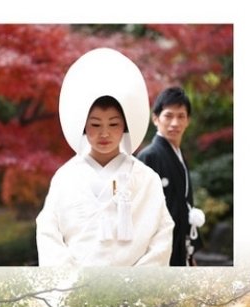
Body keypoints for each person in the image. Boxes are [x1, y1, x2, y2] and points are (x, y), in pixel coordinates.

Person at [36, 48, 174, 267]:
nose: (104, 133)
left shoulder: (146, 179)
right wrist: (73, 284)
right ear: (83, 126)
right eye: (95, 124)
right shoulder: (66, 177)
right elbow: (48, 234)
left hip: (133, 293)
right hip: (77, 290)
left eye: (113, 124)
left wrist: (135, 287)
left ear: (125, 126)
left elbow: (162, 235)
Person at [137, 86, 204, 266]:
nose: (175, 123)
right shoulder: (149, 156)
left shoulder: (178, 155)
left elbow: (185, 204)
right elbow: (140, 212)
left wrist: (190, 255)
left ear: (188, 120)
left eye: (181, 116)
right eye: (168, 115)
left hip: (182, 245)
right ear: (155, 118)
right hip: (160, 252)